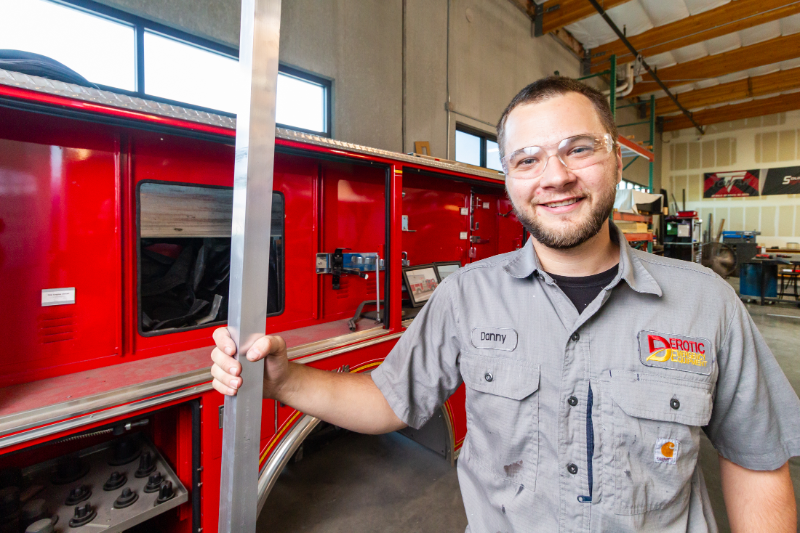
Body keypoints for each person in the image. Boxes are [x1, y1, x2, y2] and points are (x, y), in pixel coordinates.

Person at [210, 77, 800, 532]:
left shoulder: (706, 304)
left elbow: (757, 461)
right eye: (529, 159)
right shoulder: (466, 296)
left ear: (617, 160)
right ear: (510, 181)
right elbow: (386, 403)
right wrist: (285, 381)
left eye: (579, 149)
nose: (556, 176)